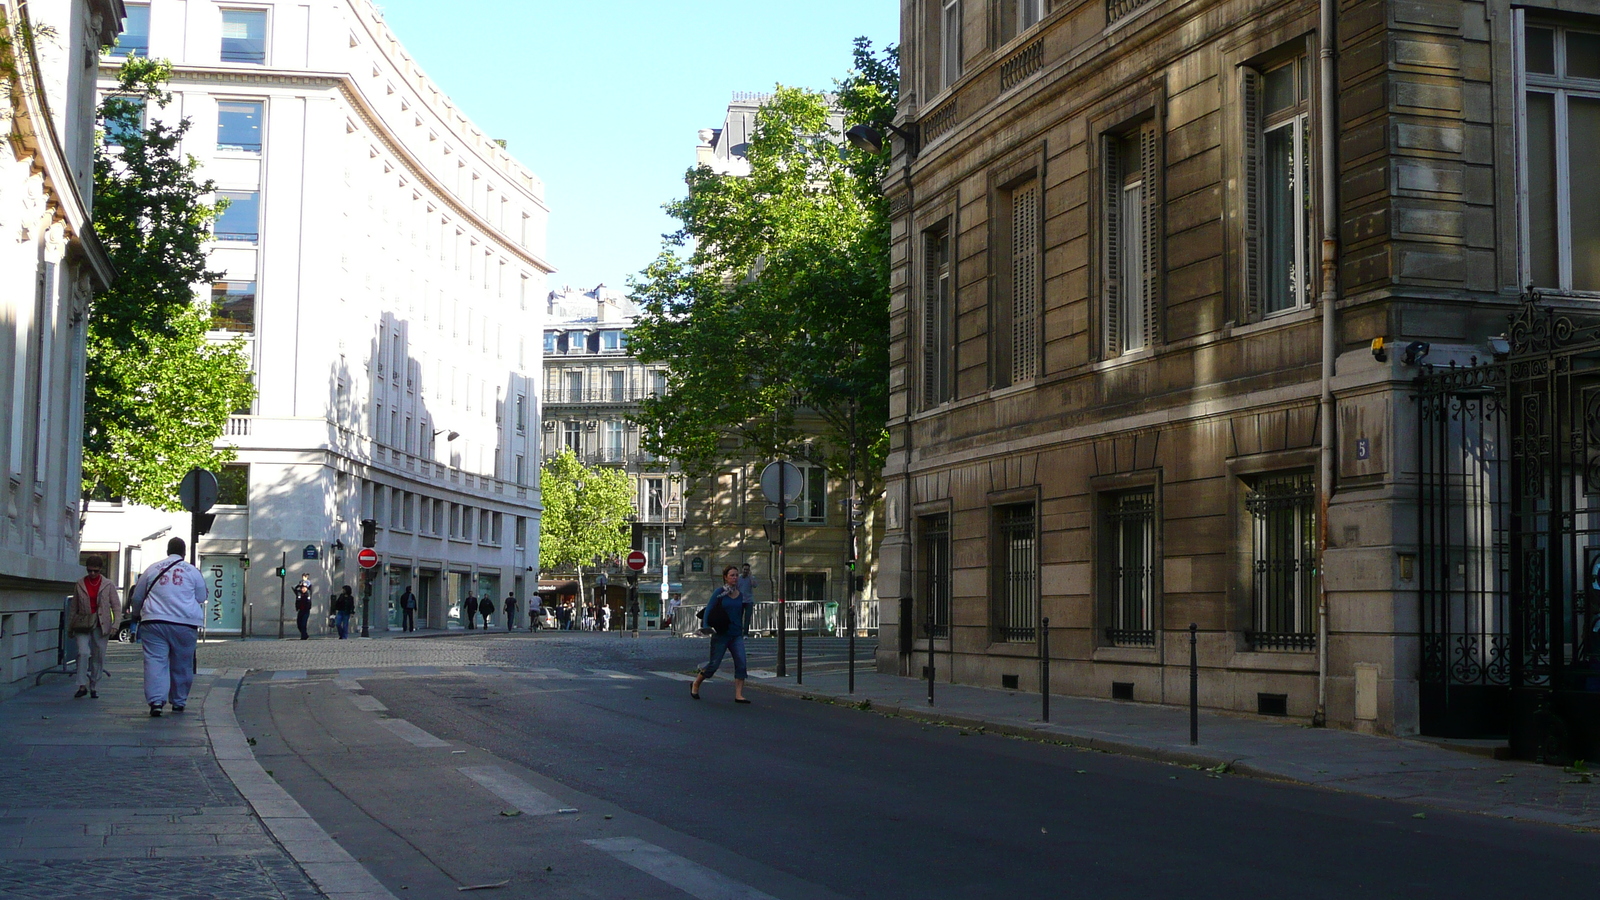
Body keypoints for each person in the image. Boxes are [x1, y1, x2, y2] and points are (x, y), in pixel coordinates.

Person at [129, 537, 206, 717]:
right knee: (183, 663)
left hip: (154, 621)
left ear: (167, 550)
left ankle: (156, 701)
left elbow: (137, 597)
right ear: (184, 552)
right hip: (185, 623)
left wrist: (136, 615)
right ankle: (179, 701)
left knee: (155, 661)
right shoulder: (193, 572)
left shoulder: (152, 569)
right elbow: (201, 597)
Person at [690, 566, 751, 704]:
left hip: (736, 634)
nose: (735, 578)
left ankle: (739, 695)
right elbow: (709, 609)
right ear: (725, 577)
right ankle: (696, 683)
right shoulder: (719, 592)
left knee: (741, 663)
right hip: (721, 634)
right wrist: (706, 626)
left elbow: (741, 612)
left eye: (736, 575)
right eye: (732, 575)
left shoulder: (740, 595)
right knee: (714, 664)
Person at [70, 557, 120, 699]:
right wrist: (70, 627)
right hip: (82, 623)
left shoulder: (108, 584)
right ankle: (81, 685)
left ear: (100, 570)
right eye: (89, 570)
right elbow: (73, 607)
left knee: (98, 655)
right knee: (83, 652)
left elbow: (116, 606)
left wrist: (115, 624)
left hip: (101, 624)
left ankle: (94, 685)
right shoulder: (80, 583)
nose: (92, 573)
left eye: (95, 571)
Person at [292, 574, 313, 640]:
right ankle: (305, 635)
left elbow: (311, 587)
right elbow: (293, 587)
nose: (303, 589)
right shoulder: (299, 593)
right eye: (302, 588)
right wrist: (300, 584)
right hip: (300, 610)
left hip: (306, 611)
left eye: (304, 588)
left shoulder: (309, 593)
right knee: (299, 624)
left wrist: (306, 581)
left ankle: (303, 637)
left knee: (303, 624)